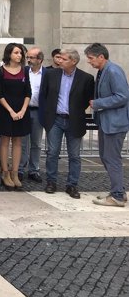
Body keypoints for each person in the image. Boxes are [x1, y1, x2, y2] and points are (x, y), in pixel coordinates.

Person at [39, 48, 94, 198]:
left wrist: (74, 111)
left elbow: (87, 101)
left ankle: (72, 185)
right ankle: (51, 182)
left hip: (74, 121)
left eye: (63, 59)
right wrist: (46, 117)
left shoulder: (86, 78)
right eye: (59, 58)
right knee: (52, 153)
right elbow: (44, 96)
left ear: (73, 61)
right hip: (55, 120)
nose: (59, 61)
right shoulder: (51, 75)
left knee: (74, 155)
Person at [86, 43, 129, 207]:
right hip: (108, 123)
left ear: (101, 57)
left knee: (111, 159)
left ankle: (117, 195)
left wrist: (98, 103)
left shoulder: (113, 71)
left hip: (115, 124)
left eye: (91, 58)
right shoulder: (104, 71)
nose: (89, 62)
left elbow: (123, 96)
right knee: (107, 157)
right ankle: (119, 191)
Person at [0, 43, 31, 191]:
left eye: (20, 53)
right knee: (4, 140)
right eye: (16, 53)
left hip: (21, 111)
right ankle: (5, 173)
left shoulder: (24, 71)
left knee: (18, 141)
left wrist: (22, 110)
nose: (19, 55)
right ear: (9, 54)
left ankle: (15, 173)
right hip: (5, 110)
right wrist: (10, 110)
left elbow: (28, 93)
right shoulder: (0, 71)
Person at [18, 47, 45, 183]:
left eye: (31, 58)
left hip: (38, 111)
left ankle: (34, 169)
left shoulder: (48, 74)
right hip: (24, 110)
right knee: (22, 142)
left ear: (40, 59)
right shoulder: (23, 72)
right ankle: (20, 169)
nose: (28, 60)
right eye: (27, 57)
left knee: (36, 142)